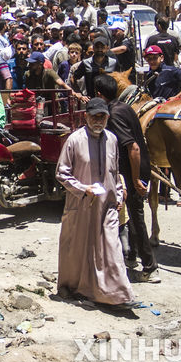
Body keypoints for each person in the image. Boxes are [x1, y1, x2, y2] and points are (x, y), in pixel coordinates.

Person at [55, 98, 138, 309]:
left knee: (111, 246)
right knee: (77, 248)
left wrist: (119, 194)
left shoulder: (112, 139)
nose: (98, 121)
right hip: (82, 205)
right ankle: (71, 287)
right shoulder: (74, 140)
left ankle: (119, 295)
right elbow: (61, 173)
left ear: (108, 118)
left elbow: (115, 172)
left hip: (108, 205)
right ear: (86, 116)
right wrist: (84, 189)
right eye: (94, 116)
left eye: (102, 117)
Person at [94, 75, 159, 283]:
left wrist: (135, 179)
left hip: (132, 172)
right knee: (132, 214)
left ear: (99, 94)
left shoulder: (114, 114)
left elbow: (133, 147)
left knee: (136, 216)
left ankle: (150, 268)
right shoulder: (125, 107)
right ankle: (131, 256)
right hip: (136, 169)